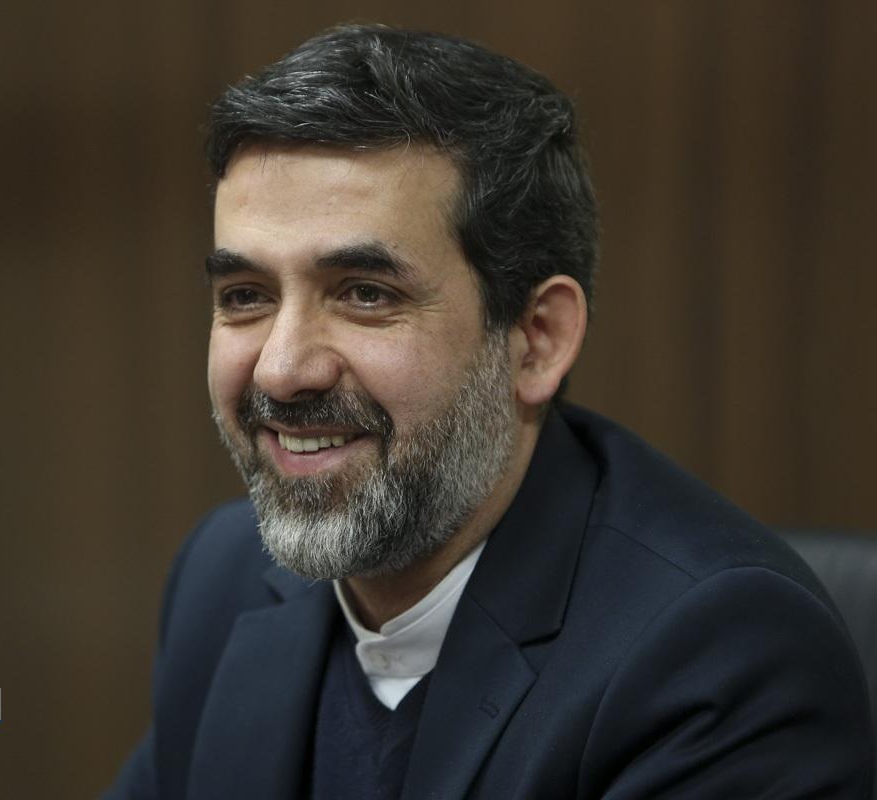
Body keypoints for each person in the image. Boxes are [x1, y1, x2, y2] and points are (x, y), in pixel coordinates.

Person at [107, 24, 874, 800]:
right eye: (246, 296)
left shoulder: (718, 655)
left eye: (366, 294)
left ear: (537, 340)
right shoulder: (224, 576)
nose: (282, 368)